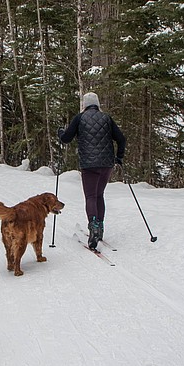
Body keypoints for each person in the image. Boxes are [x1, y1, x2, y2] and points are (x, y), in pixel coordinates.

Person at [58, 92, 127, 250]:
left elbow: (66, 138)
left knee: (90, 196)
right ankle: (100, 228)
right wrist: (119, 157)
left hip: (89, 165)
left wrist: (60, 133)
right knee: (99, 195)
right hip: (107, 164)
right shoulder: (106, 118)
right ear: (97, 104)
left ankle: (93, 227)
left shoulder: (79, 118)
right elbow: (121, 139)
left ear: (84, 105)